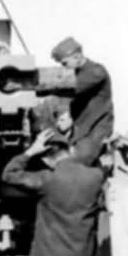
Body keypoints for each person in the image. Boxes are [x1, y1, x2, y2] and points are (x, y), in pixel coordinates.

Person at [1, 128, 106, 256]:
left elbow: (9, 174)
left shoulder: (47, 180)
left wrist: (31, 151)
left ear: (45, 159)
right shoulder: (96, 176)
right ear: (70, 150)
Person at [51, 36, 114, 166]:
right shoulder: (78, 72)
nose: (64, 67)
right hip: (82, 128)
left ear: (77, 57)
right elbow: (80, 100)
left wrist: (38, 88)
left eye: (65, 63)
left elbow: (73, 89)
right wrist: (69, 116)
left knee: (77, 163)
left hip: (96, 128)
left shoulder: (96, 71)